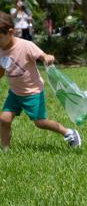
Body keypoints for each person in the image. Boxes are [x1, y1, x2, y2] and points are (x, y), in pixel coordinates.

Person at [0, 11, 81, 151]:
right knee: (4, 119)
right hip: (15, 93)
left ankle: (69, 133)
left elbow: (42, 55)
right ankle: (5, 149)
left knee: (40, 122)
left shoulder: (25, 45)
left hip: (32, 92)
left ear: (10, 32)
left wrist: (47, 58)